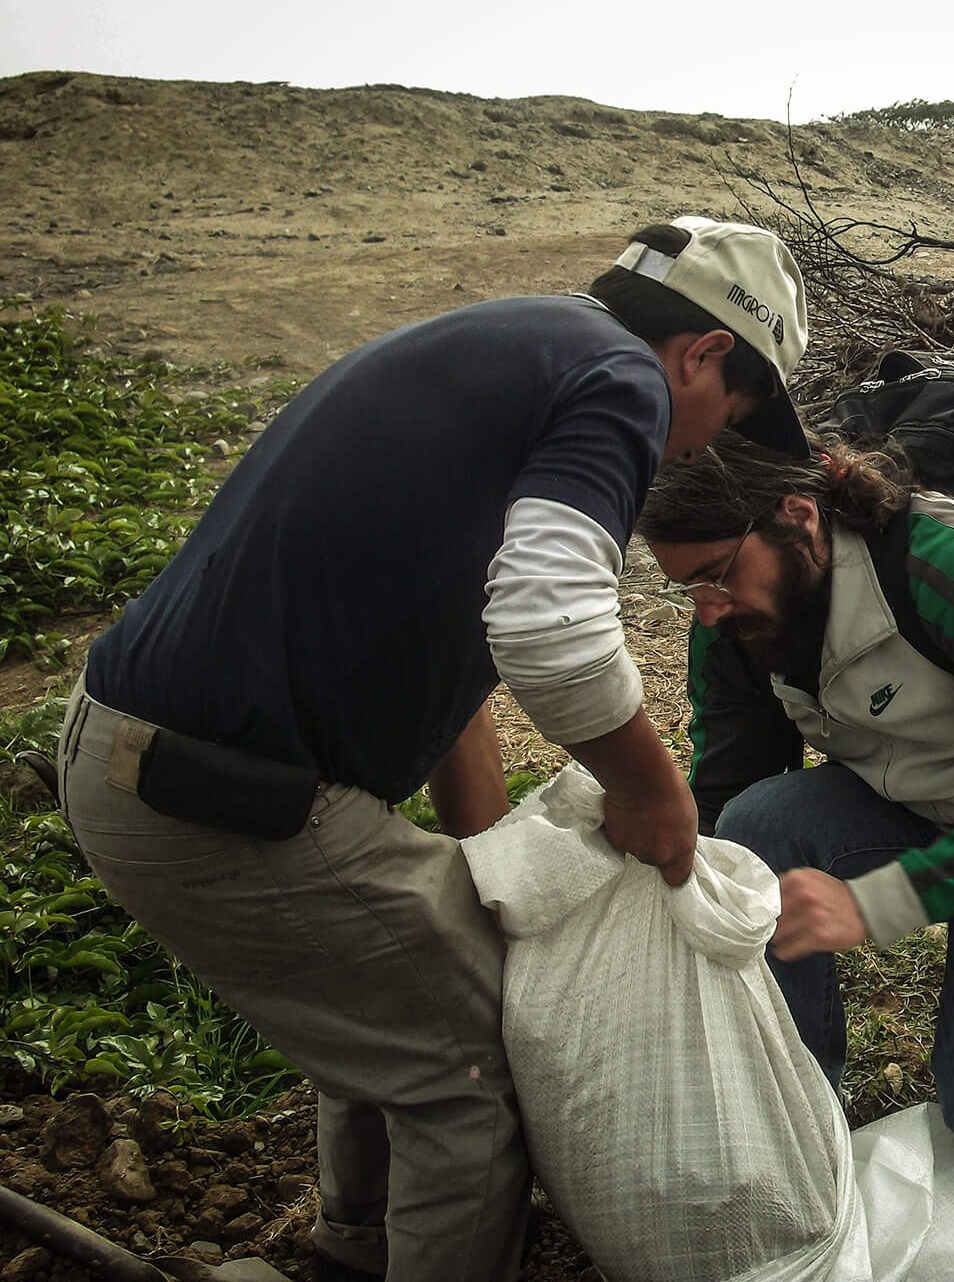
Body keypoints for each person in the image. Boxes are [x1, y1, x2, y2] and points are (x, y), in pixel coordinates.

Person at [53, 217, 810, 1282]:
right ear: (705, 353)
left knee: (407, 995)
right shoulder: (618, 381)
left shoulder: (510, 346)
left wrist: (492, 861)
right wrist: (652, 790)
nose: (699, 450)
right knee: (467, 1066)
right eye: (727, 416)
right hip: (218, 798)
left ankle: (356, 1253)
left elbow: (465, 654)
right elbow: (551, 633)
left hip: (138, 758)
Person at [638, 435, 954, 1158]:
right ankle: (804, 1101)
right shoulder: (735, 623)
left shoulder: (939, 564)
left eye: (716, 575)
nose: (709, 609)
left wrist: (880, 902)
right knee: (755, 828)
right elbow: (728, 788)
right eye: (688, 588)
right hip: (906, 800)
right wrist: (695, 909)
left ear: (797, 517)